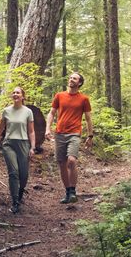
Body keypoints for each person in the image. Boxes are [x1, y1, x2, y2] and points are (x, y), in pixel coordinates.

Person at [45, 72, 94, 204]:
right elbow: (51, 113)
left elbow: (88, 118)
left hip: (74, 134)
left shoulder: (84, 99)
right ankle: (67, 192)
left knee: (71, 160)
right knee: (62, 164)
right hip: (59, 133)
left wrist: (90, 135)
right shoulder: (59, 96)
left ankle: (73, 191)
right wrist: (47, 128)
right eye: (71, 77)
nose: (71, 79)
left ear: (79, 83)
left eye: (75, 78)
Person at [0, 87, 36, 214]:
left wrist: (32, 147)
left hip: (23, 144)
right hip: (9, 143)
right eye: (14, 92)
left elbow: (31, 131)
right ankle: (15, 202)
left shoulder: (28, 112)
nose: (15, 94)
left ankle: (20, 193)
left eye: (18, 93)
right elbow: (0, 128)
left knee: (23, 174)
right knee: (13, 172)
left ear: (22, 97)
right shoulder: (6, 111)